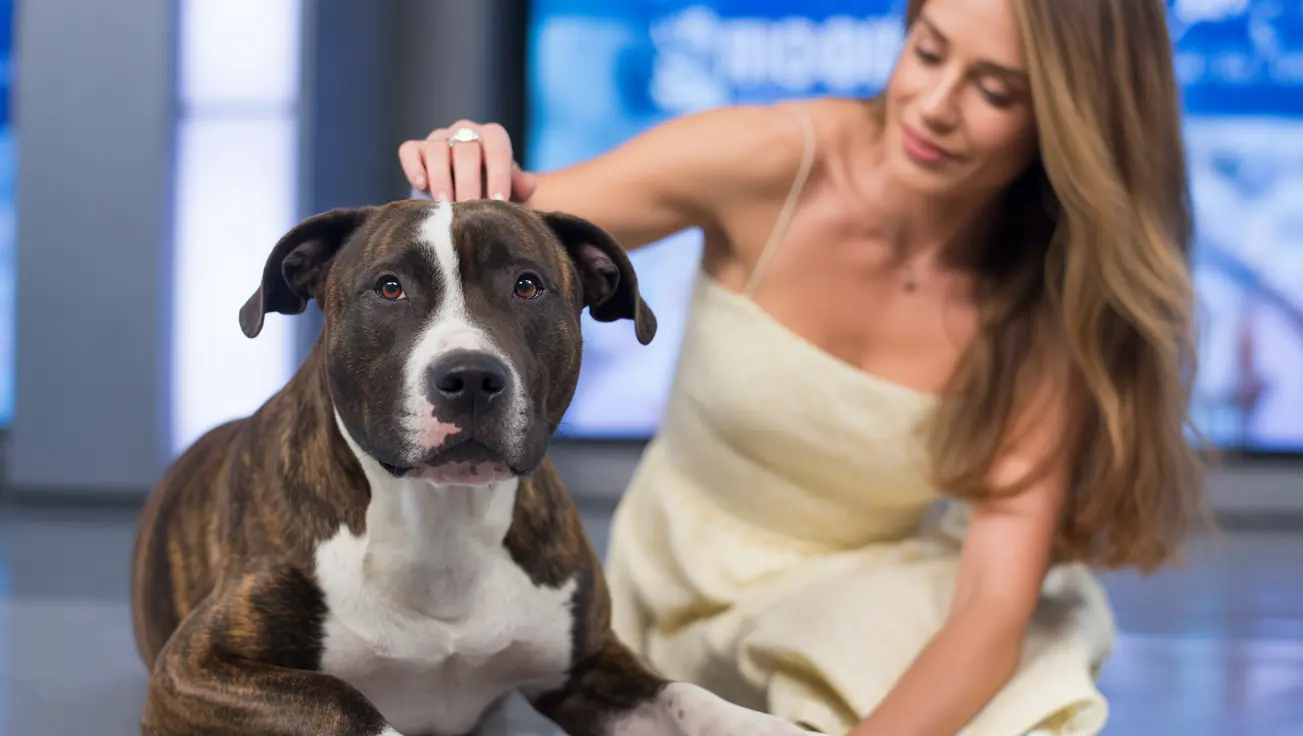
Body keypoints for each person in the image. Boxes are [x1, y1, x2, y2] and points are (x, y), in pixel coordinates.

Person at [398, 0, 1208, 733]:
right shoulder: (772, 157)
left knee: (1029, 654)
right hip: (678, 589)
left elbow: (990, 609)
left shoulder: (1044, 303)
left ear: (1066, 126)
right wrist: (467, 159)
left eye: (994, 92)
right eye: (927, 51)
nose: (934, 105)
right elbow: (497, 235)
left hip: (862, 589)